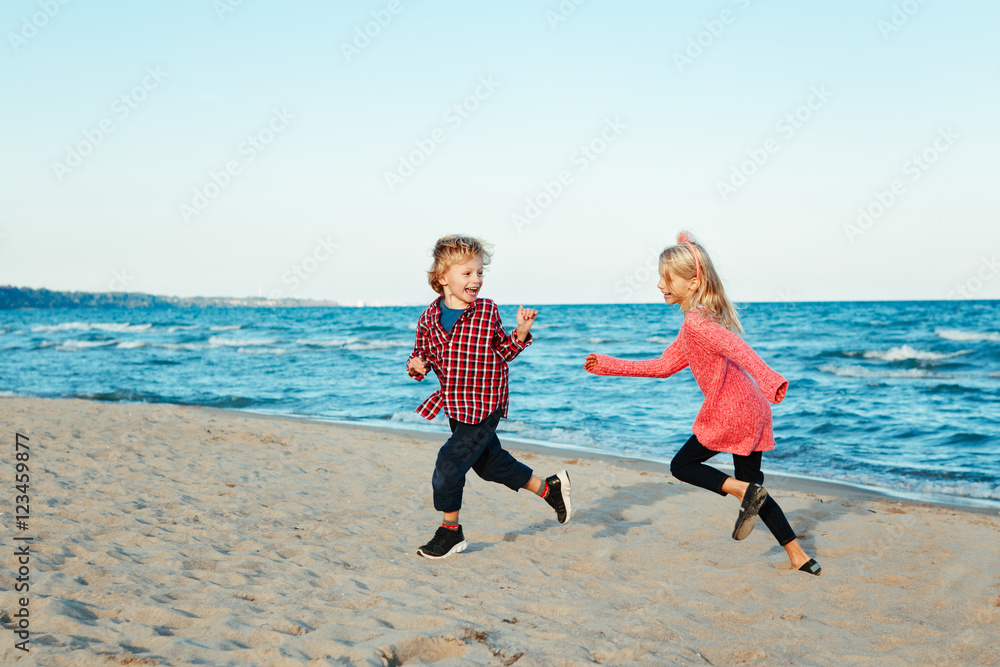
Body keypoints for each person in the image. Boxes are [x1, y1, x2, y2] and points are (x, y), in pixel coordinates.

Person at [584, 231, 821, 575]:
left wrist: (770, 378)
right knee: (755, 491)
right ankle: (799, 556)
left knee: (683, 466)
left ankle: (740, 491)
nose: (660, 285)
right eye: (660, 277)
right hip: (753, 410)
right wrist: (607, 365)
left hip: (733, 410)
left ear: (693, 283)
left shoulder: (697, 324)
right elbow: (663, 367)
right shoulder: (699, 320)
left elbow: (738, 349)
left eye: (668, 279)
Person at [407, 234, 571, 559]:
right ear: (443, 278)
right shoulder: (428, 319)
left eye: (480, 272)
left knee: (449, 463)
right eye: (467, 273)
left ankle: (450, 532)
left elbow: (503, 351)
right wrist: (416, 365)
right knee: (489, 464)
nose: (476, 279)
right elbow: (420, 356)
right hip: (455, 405)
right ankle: (549, 488)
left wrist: (521, 331)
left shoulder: (486, 310)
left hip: (485, 403)